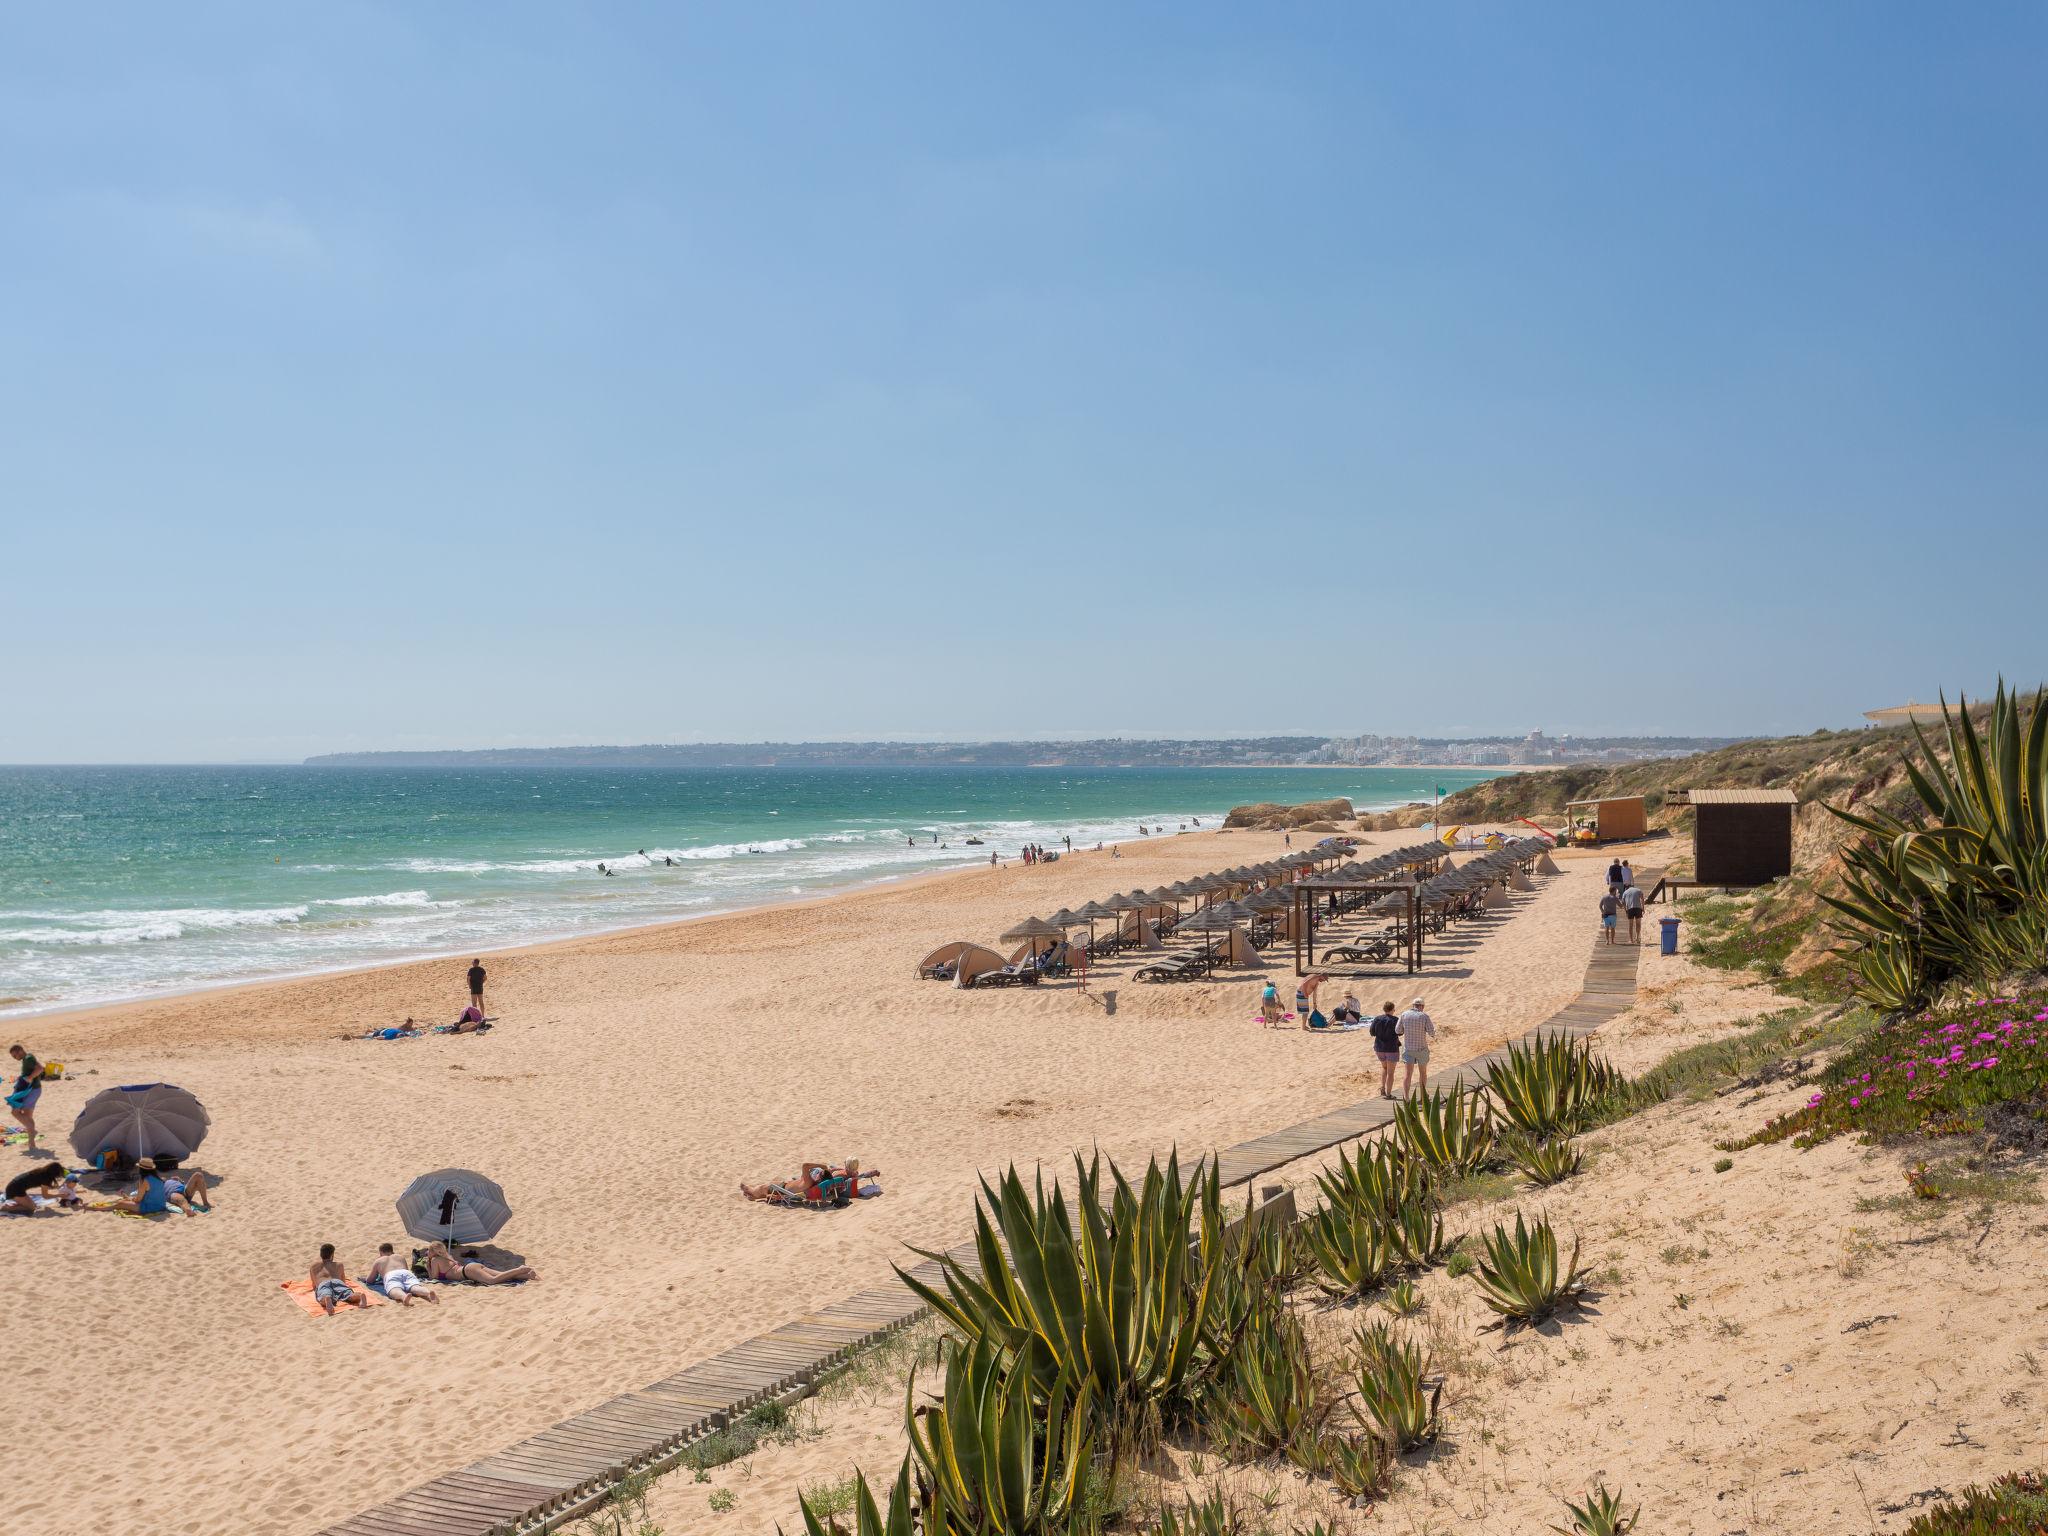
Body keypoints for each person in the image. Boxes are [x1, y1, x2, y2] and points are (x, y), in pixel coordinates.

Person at [423, 1240, 539, 1284]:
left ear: (433, 1252)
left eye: (428, 1250)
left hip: (467, 1272)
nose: (427, 1252)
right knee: (500, 1275)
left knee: (492, 1281)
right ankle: (528, 1275)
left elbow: (434, 1278)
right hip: (471, 1267)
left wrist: (427, 1267)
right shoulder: (447, 1255)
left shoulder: (434, 1260)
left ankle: (520, 1269)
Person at [367, 1242, 439, 1305]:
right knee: (414, 1287)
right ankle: (428, 1293)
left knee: (394, 1289)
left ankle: (403, 1297)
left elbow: (370, 1280)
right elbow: (406, 1269)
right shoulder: (400, 1257)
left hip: (391, 1274)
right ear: (392, 1251)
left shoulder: (379, 1260)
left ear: (380, 1253)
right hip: (405, 1272)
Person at [8, 1043, 45, 1152]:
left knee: (15, 1112)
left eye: (15, 1056)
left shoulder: (28, 1058)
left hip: (31, 1090)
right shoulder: (28, 1057)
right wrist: (23, 1076)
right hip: (34, 1089)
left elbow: (40, 1068)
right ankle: (31, 1142)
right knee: (27, 1116)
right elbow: (37, 1066)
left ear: (20, 1050)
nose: (15, 1058)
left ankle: (32, 1133)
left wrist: (30, 1077)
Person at [311, 1243, 368, 1313]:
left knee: (324, 1295)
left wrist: (317, 1289)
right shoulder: (339, 1265)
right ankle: (359, 1296)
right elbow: (343, 1281)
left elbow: (314, 1284)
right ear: (332, 1255)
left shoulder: (314, 1266)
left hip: (323, 1283)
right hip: (337, 1281)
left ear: (321, 1254)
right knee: (348, 1295)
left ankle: (327, 1298)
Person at [1397, 998, 1437, 1096]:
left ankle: (1406, 1097)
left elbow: (1398, 1031)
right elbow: (1431, 1032)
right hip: (1421, 1048)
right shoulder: (1424, 1016)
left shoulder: (1404, 1014)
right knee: (1423, 1073)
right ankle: (1423, 1096)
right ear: (1422, 1006)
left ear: (1413, 1005)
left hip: (1408, 1048)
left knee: (1408, 1074)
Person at [3, 1160, 67, 1215]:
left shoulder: (41, 1171)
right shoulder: (46, 1179)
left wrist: (59, 1187)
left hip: (14, 1186)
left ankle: (17, 1203)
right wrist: (59, 1195)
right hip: (15, 1190)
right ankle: (6, 1208)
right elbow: (45, 1196)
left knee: (31, 1205)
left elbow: (46, 1187)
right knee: (32, 1207)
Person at [1369, 1001, 1403, 1099]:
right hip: (1391, 1048)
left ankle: (1383, 1089)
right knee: (1391, 1072)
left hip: (1379, 1047)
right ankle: (1388, 1094)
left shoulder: (1377, 1019)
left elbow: (1372, 1032)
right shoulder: (1395, 1020)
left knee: (1384, 1068)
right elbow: (1400, 1032)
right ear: (1392, 1009)